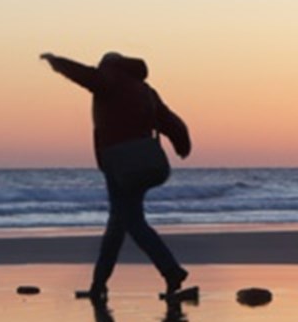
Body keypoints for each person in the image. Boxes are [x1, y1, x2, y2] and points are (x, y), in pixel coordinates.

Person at [41, 51, 192, 301]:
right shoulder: (146, 90)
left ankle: (171, 270)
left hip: (120, 165)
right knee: (118, 224)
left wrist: (57, 63)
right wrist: (182, 144)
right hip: (145, 164)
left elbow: (86, 76)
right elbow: (170, 121)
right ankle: (98, 285)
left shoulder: (112, 79)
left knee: (131, 221)